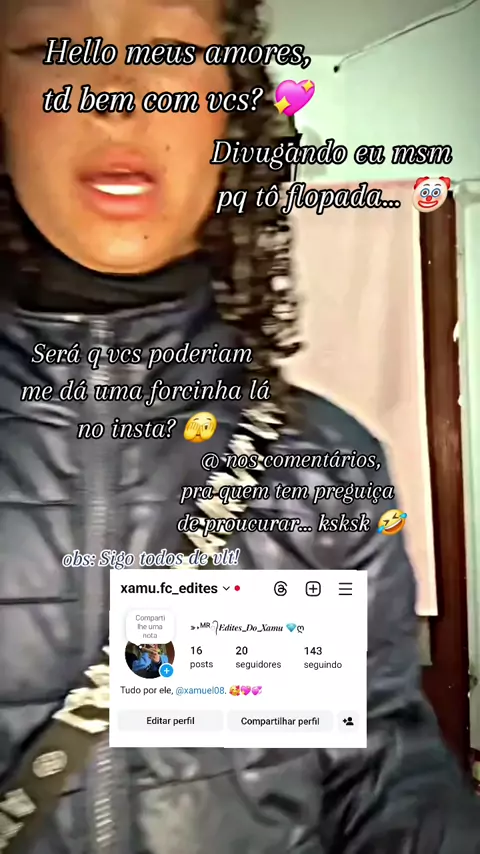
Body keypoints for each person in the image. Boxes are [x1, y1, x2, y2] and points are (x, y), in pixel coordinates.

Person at [0, 1, 479, 853]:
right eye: (54, 47)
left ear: (232, 112)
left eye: (170, 52)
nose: (119, 98)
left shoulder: (322, 467)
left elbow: (377, 772)